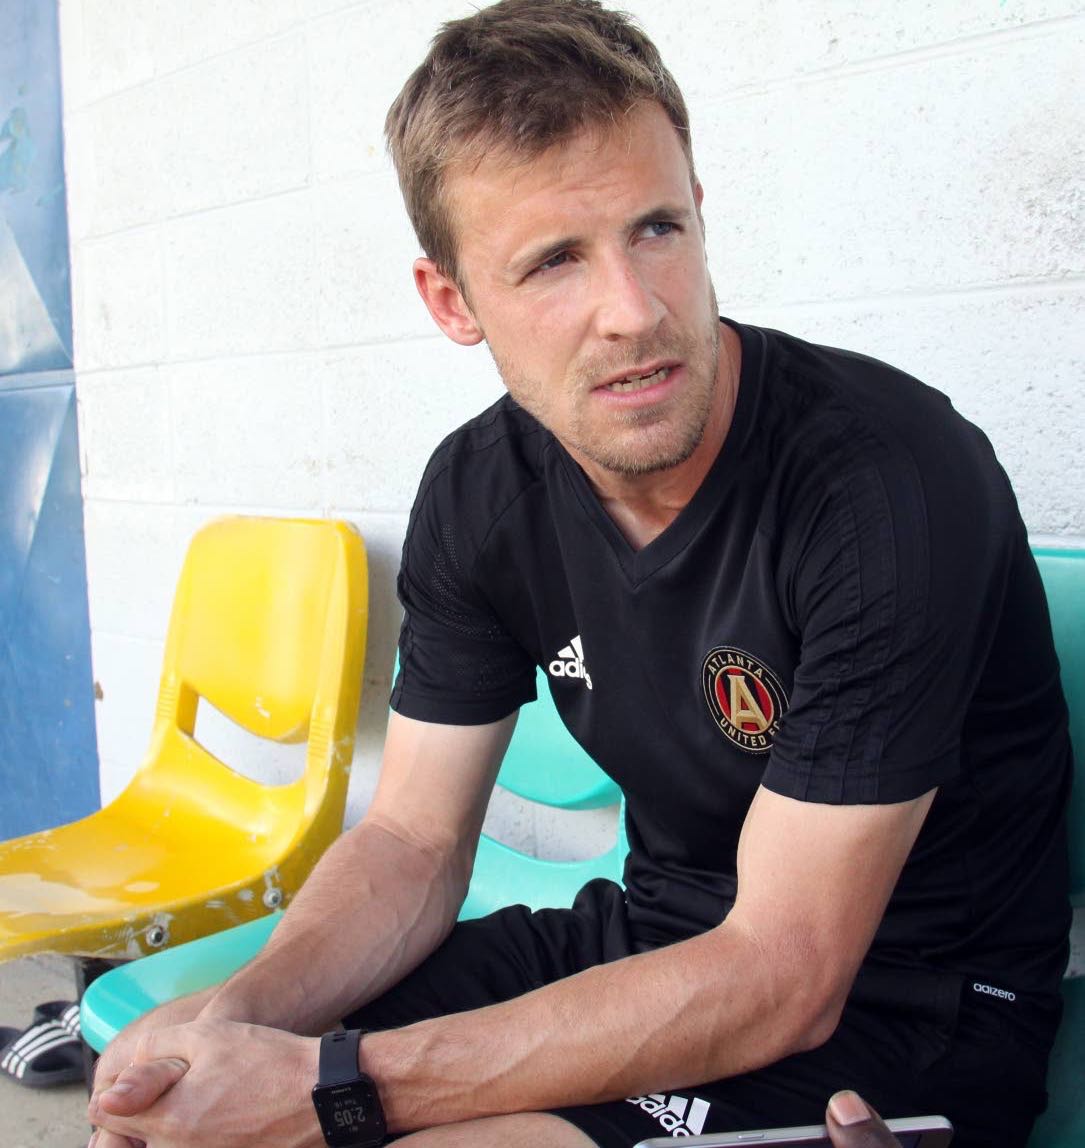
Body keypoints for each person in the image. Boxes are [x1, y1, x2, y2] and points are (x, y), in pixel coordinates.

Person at [86, 2, 1071, 1146]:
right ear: (451, 301)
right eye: (554, 259)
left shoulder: (885, 482)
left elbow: (784, 971)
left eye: (655, 229)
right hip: (644, 937)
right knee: (179, 1107)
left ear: (700, 216)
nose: (634, 311)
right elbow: (409, 841)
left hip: (896, 1010)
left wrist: (329, 1089)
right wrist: (230, 1026)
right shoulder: (476, 491)